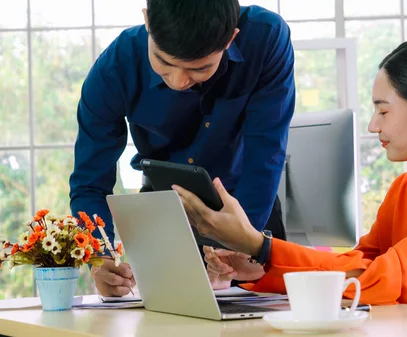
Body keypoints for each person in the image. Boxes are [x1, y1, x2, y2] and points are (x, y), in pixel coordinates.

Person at [172, 36, 407, 313]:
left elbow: (390, 278)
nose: (373, 125)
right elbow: (361, 263)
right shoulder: (406, 188)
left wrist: (264, 246)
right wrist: (262, 264)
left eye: (383, 111)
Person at [68, 0, 295, 297]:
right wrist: (99, 258)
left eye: (199, 68)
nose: (178, 81)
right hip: (163, 215)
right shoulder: (116, 66)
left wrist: (244, 242)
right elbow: (89, 182)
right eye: (164, 63)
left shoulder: (266, 38)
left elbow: (266, 153)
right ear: (148, 21)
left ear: (230, 39)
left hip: (248, 206)